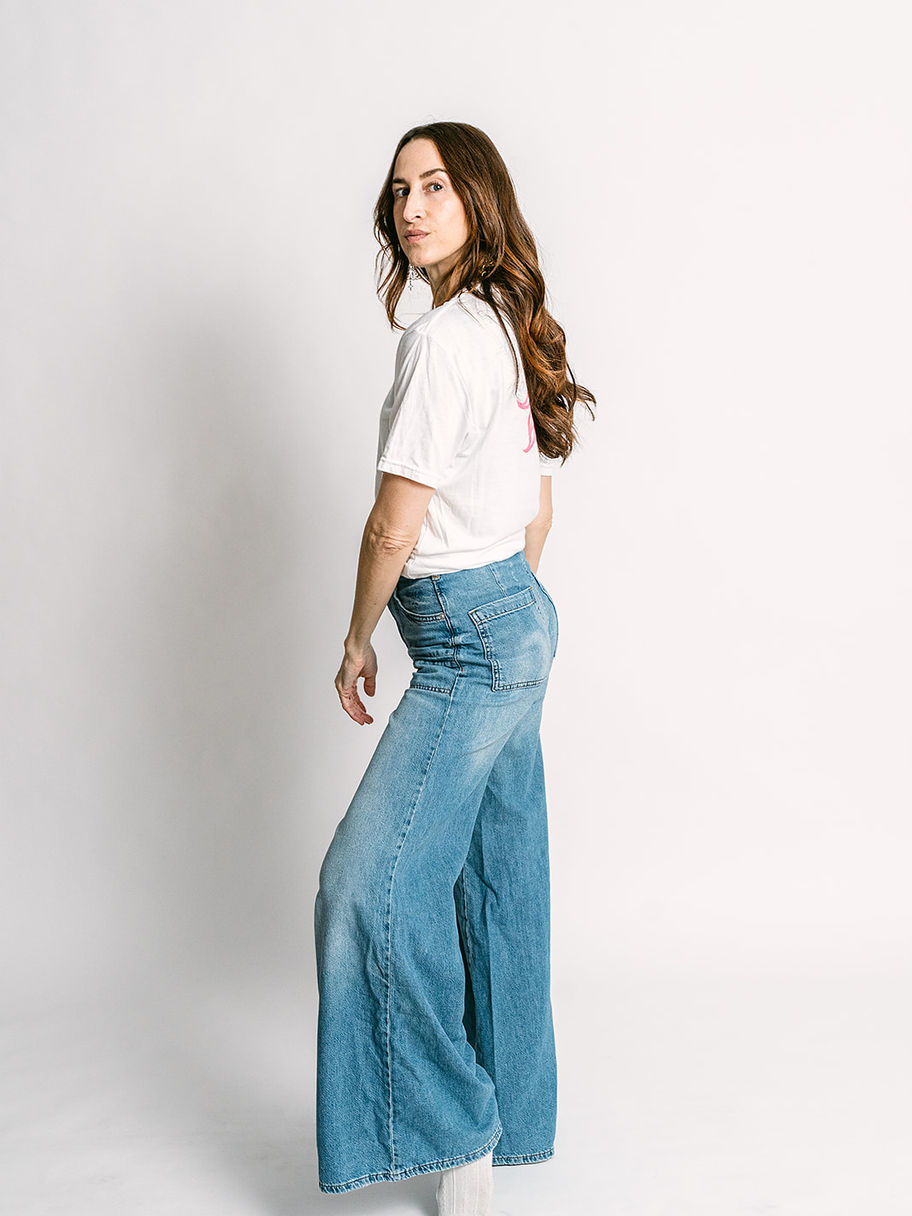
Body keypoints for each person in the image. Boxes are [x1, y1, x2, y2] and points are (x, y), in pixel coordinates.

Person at [313, 121, 596, 1214]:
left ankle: (456, 1124)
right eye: (399, 192)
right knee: (499, 881)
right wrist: (508, 608)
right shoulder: (502, 320)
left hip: (474, 638)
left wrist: (357, 638)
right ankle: (510, 1124)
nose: (412, 207)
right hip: (515, 622)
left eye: (435, 185)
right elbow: (540, 504)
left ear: (478, 198)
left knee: (365, 887)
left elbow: (393, 526)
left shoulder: (443, 339)